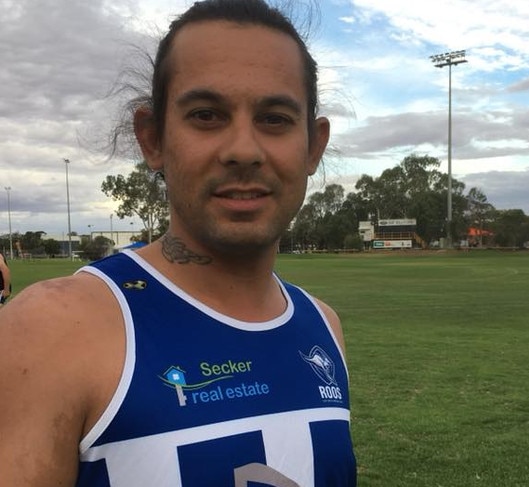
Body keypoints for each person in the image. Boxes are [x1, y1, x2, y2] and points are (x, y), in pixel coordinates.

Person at [0, 1, 357, 485]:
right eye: (207, 115)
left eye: (274, 118)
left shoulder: (323, 326)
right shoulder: (50, 329)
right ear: (153, 139)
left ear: (313, 146)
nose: (243, 151)